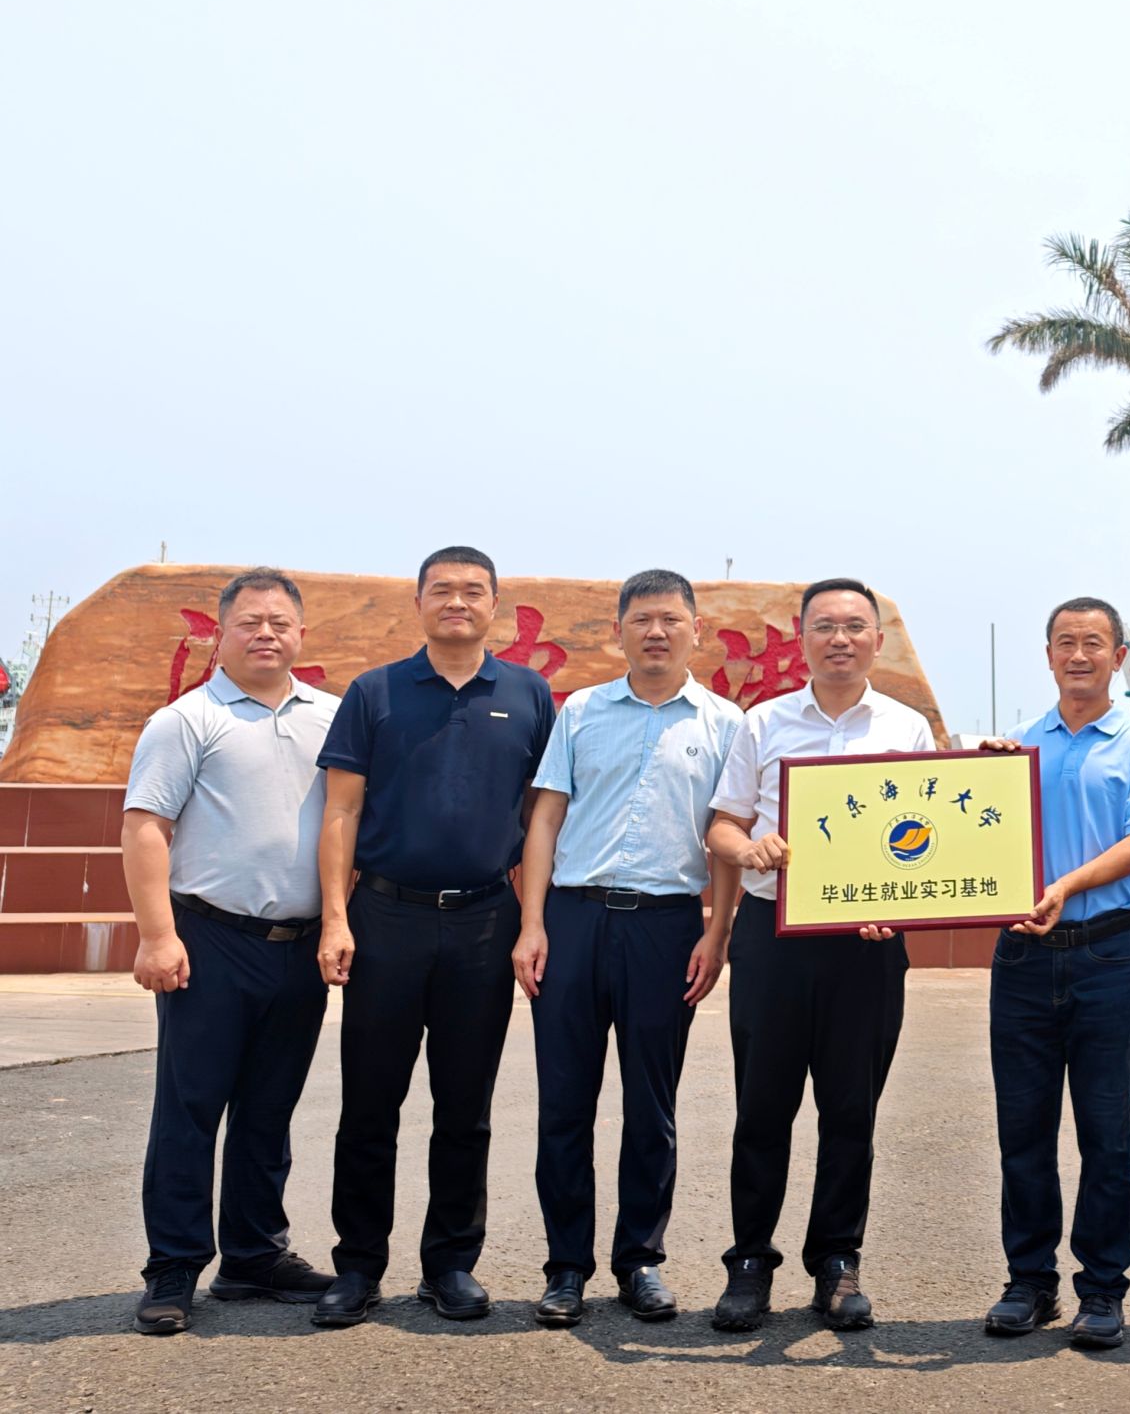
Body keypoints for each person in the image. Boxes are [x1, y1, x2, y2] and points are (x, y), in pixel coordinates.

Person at [310, 545, 555, 1328]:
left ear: (494, 605)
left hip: (485, 918)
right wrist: (336, 914)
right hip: (386, 916)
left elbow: (542, 815)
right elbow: (341, 809)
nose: (457, 601)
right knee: (369, 1100)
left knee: (465, 1104)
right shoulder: (375, 691)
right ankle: (358, 1265)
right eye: (441, 589)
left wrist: (532, 920)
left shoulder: (528, 693)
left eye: (473, 590)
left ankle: (450, 1262)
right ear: (417, 603)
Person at [702, 578, 936, 1332]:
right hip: (773, 936)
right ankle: (748, 1262)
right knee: (762, 1106)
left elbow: (929, 842)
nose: (841, 638)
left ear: (877, 640)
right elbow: (723, 825)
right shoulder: (764, 722)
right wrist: (751, 847)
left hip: (868, 947)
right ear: (802, 637)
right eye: (826, 626)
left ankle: (837, 1262)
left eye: (855, 626)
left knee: (850, 1109)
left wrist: (897, 907)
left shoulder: (907, 728)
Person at [512, 569, 743, 1328]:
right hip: (573, 921)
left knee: (652, 1105)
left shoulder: (724, 723)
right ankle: (565, 1267)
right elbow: (546, 819)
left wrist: (717, 932)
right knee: (564, 1103)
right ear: (618, 632)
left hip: (666, 927)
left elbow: (727, 837)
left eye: (671, 619)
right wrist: (533, 923)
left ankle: (640, 1260)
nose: (656, 632)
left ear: (696, 630)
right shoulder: (581, 710)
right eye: (642, 619)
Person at [122, 569, 340, 1335]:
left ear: (302, 633)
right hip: (208, 940)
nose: (266, 634)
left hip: (299, 945)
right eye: (250, 621)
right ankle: (173, 1264)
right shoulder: (187, 719)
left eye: (280, 621)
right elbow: (145, 826)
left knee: (269, 1108)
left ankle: (253, 1254)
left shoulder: (332, 718)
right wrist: (158, 935)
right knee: (190, 1107)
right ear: (221, 633)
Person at [979, 596, 1130, 1351]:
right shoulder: (1016, 749)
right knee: (1023, 1131)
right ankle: (1029, 1281)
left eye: (1094, 642)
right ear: (1049, 655)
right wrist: (981, 779)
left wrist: (1065, 886)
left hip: (1104, 954)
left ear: (1119, 656)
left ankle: (1102, 1289)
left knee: (1106, 1133)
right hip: (1022, 957)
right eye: (1066, 642)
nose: (1079, 654)